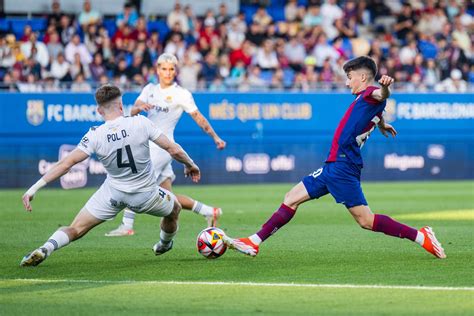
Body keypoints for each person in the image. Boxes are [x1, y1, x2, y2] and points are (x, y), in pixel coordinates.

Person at [223, 56, 446, 259]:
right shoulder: (365, 102)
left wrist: (385, 88)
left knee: (365, 221)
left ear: (362, 77)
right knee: (291, 197)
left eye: (349, 78)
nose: (347, 82)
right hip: (333, 165)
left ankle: (421, 236)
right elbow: (375, 115)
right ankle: (254, 241)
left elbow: (381, 95)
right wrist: (382, 123)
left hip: (343, 167)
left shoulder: (370, 94)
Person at [20, 84, 200, 267]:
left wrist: (33, 188)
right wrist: (190, 164)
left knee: (75, 228)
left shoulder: (95, 135)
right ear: (121, 106)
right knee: (175, 208)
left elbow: (66, 163)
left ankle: (46, 248)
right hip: (145, 194)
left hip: (112, 194)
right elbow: (172, 149)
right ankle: (164, 244)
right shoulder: (141, 122)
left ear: (99, 110)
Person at [105, 53, 226, 237]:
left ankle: (127, 225)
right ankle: (208, 211)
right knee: (169, 199)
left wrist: (215, 137)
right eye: (164, 69)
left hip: (162, 147)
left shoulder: (181, 94)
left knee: (136, 183)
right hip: (148, 143)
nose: (168, 73)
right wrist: (141, 107)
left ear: (175, 71)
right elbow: (133, 110)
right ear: (158, 70)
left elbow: (198, 118)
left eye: (171, 69)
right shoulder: (149, 89)